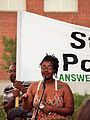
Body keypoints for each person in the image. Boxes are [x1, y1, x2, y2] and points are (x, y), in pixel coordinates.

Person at [22, 54, 74, 120]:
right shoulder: (33, 86)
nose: (46, 70)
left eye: (49, 68)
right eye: (43, 67)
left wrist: (51, 109)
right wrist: (25, 101)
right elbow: (27, 109)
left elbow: (70, 111)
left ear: (54, 69)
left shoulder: (63, 87)